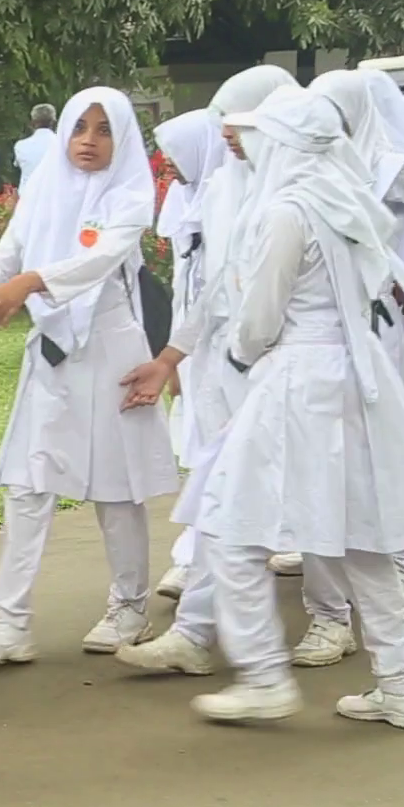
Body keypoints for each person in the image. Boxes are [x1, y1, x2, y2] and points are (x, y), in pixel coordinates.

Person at [179, 88, 404, 727]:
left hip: (297, 377)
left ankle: (265, 676)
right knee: (363, 540)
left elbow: (258, 319)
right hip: (355, 375)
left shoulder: (284, 212)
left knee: (226, 524)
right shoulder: (348, 205)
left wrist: (242, 353)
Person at [0, 87, 177, 667]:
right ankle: (9, 622)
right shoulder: (43, 187)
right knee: (28, 485)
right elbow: (10, 255)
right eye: (81, 128)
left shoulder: (129, 193)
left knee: (116, 490)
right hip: (51, 351)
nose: (89, 142)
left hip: (111, 348)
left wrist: (29, 284)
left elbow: (99, 260)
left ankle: (130, 605)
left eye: (103, 130)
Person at [280, 68, 404, 631]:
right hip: (334, 321)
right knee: (342, 445)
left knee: (390, 442)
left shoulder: (393, 165)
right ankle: (345, 552)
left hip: (382, 318)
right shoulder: (323, 164)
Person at [114, 65, 300, 678]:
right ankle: (197, 633)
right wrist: (172, 356)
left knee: (322, 512)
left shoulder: (301, 191)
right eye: (222, 120)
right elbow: (217, 288)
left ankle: (336, 626)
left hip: (292, 371)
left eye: (239, 121)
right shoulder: (224, 188)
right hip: (234, 368)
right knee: (227, 501)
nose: (225, 132)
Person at [141, 109, 228, 603]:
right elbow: (183, 283)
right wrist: (174, 357)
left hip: (233, 343)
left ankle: (194, 555)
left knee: (220, 449)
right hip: (192, 342)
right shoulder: (185, 199)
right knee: (202, 446)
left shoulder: (234, 198)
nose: (169, 167)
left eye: (175, 156)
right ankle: (195, 555)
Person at [14, 104, 58, 186]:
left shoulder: (20, 146)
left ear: (32, 123)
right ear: (54, 122)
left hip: (27, 194)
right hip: (55, 193)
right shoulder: (64, 145)